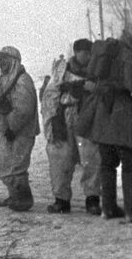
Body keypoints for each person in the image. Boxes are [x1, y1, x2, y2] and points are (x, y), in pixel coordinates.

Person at [41, 39, 101, 215]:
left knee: (91, 159)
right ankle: (61, 200)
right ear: (75, 52)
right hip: (64, 120)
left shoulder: (96, 72)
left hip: (88, 120)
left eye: (89, 53)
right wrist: (52, 120)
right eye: (83, 52)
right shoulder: (61, 72)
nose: (87, 56)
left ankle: (92, 199)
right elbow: (50, 96)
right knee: (61, 159)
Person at [87, 31, 132, 220]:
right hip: (121, 113)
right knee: (130, 165)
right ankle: (131, 211)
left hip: (102, 112)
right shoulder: (127, 55)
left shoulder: (107, 53)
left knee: (107, 164)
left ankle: (108, 209)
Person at [0, 46, 39, 211]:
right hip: (4, 128)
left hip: (19, 131)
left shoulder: (22, 80)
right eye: (0, 60)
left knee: (16, 165)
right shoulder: (4, 79)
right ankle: (14, 195)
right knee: (4, 162)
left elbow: (24, 109)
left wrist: (13, 127)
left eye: (4, 59)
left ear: (13, 60)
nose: (1, 63)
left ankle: (23, 199)